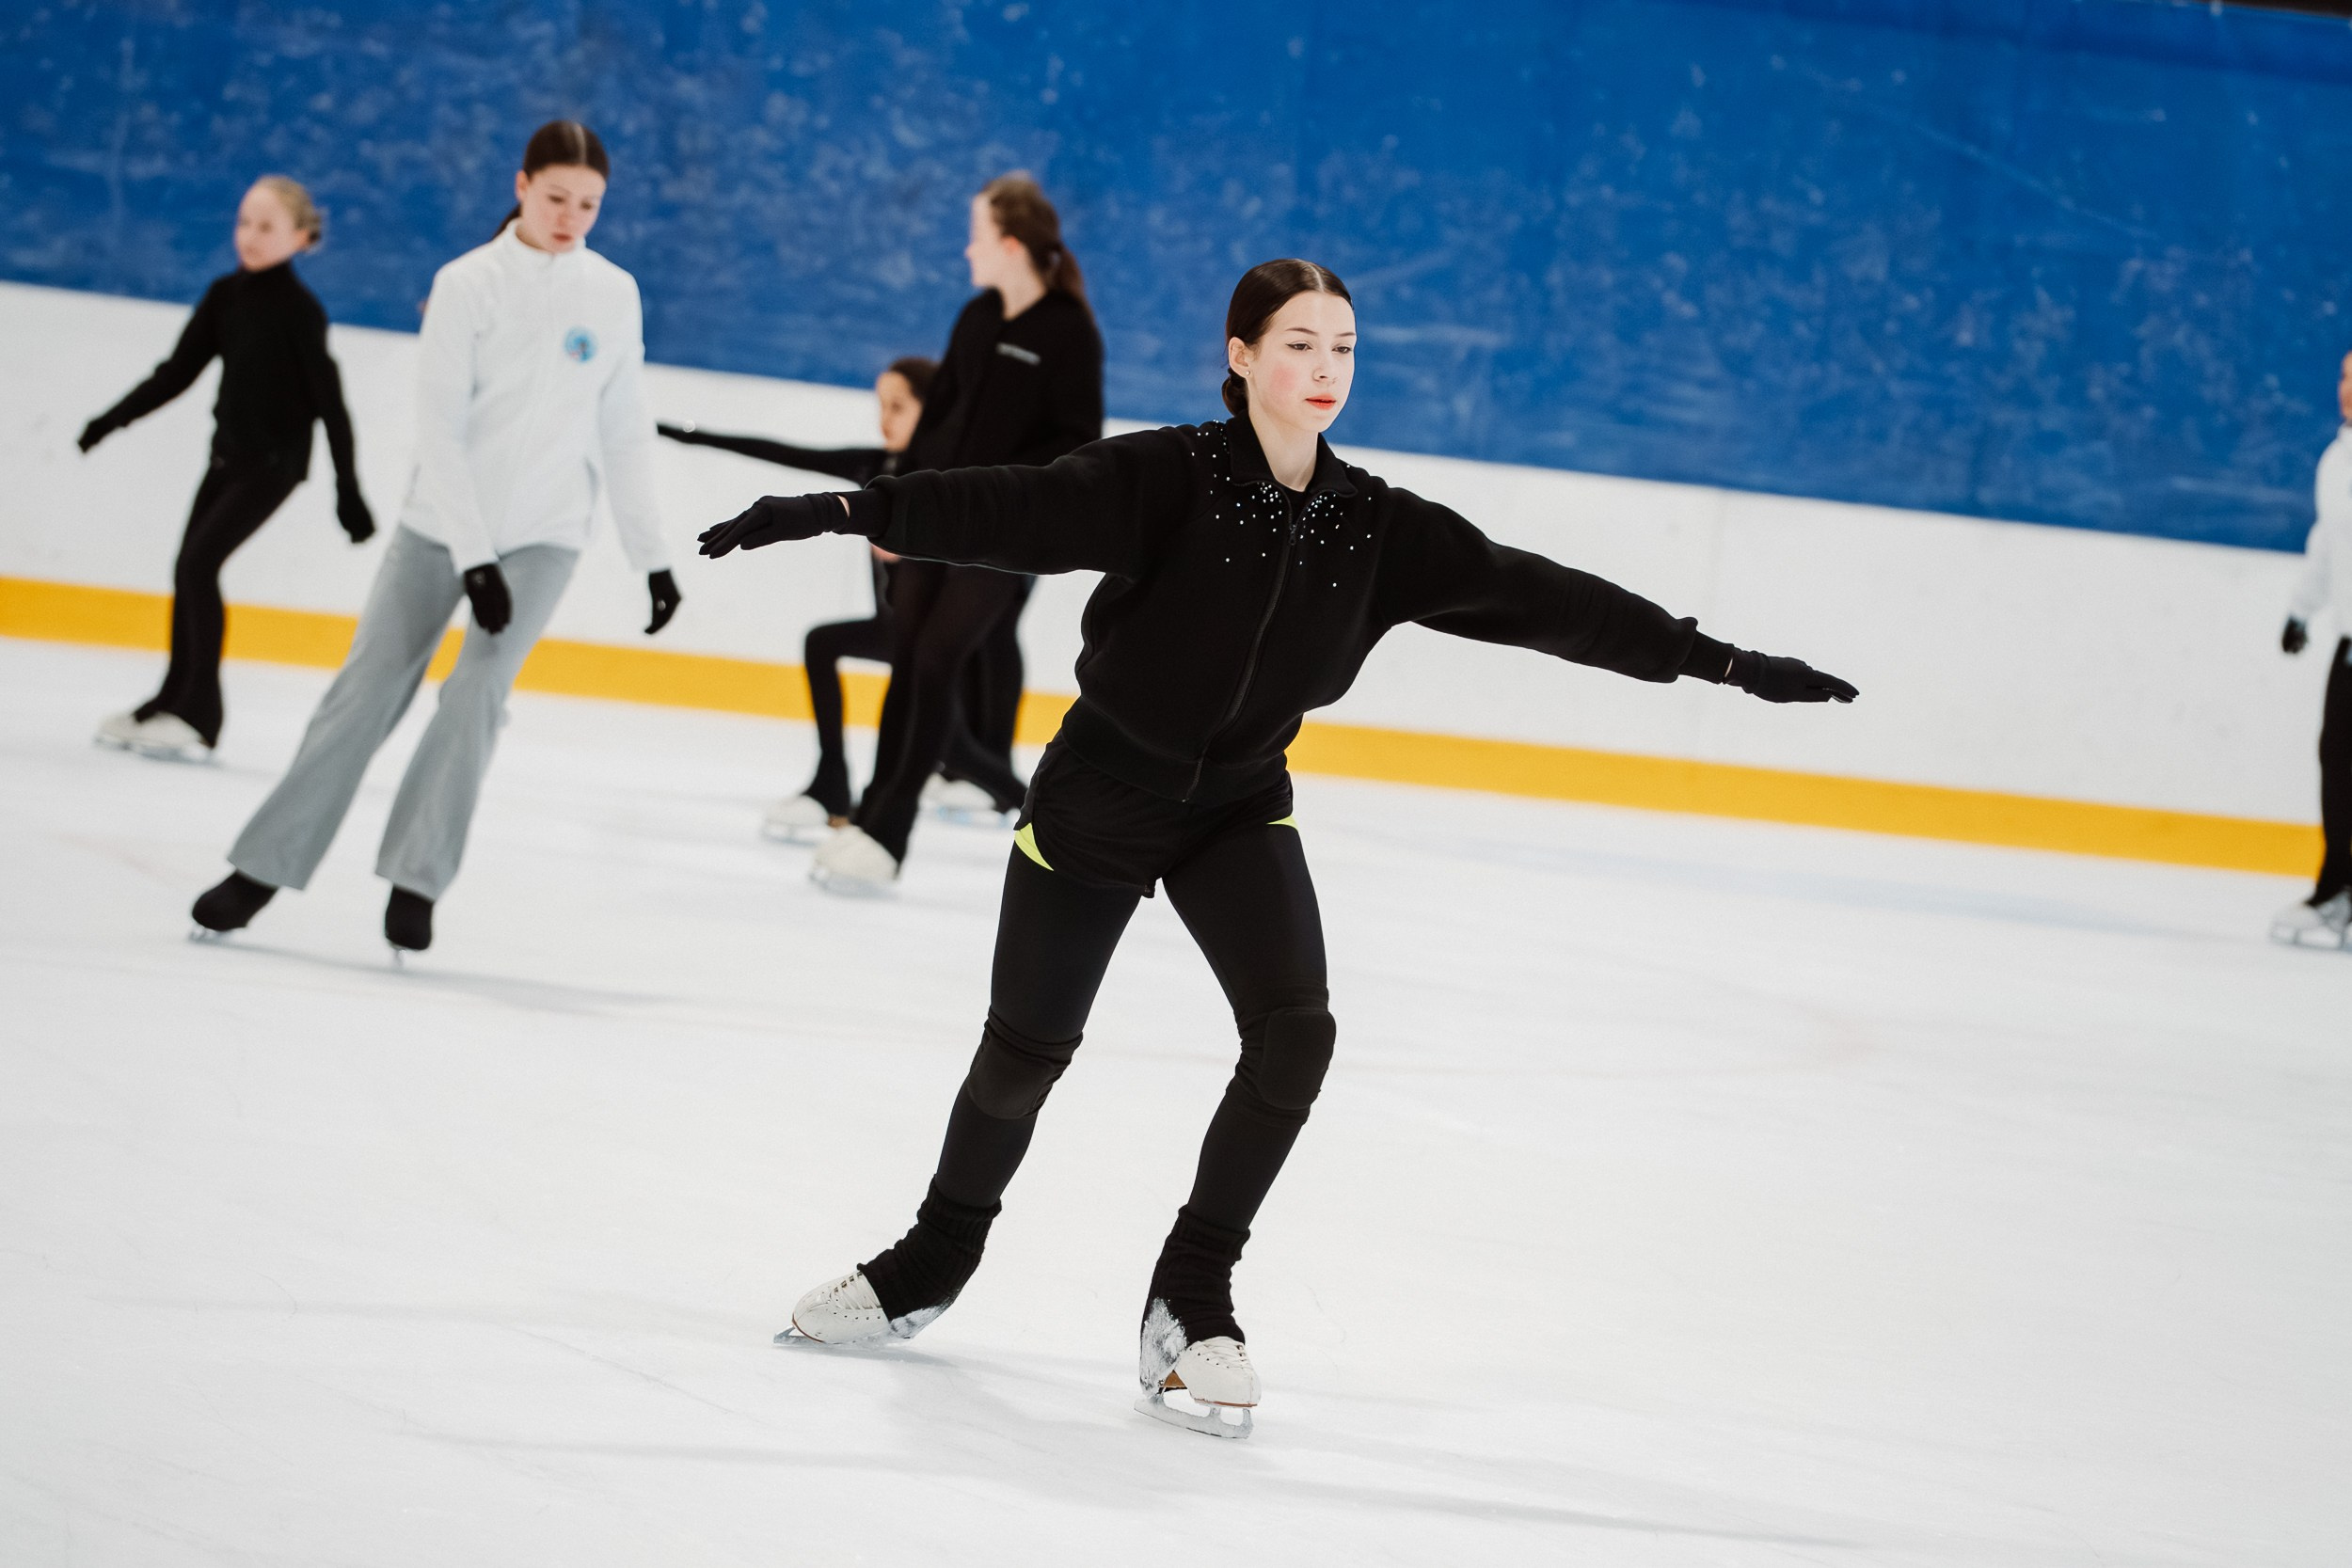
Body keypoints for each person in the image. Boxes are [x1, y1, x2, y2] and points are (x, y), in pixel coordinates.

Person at [695, 259, 1860, 1437]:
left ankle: (1190, 1295)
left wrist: (1715, 661)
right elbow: (1014, 504)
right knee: (1025, 1051)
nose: (1324, 371)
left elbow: (1541, 598)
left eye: (1343, 348)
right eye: (1298, 344)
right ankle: (931, 1258)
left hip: (1235, 808)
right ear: (1241, 353)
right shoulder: (1165, 476)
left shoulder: (1375, 526)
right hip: (1099, 794)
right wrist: (849, 508)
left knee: (1297, 1032)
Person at [186, 119, 681, 956]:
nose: (571, 217)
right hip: (440, 528)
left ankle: (416, 877)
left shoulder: (613, 293)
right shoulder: (466, 283)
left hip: (545, 536)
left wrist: (653, 556)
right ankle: (263, 866)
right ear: (522, 186)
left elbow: (624, 428)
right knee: (366, 690)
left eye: (589, 205)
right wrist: (473, 556)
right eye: (557, 197)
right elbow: (440, 431)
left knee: (477, 696)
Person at [809, 172, 1104, 893]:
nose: (966, 249)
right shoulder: (976, 319)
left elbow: (1077, 443)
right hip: (935, 521)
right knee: (910, 659)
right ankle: (874, 816)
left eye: (976, 235)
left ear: (1009, 244)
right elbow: (935, 421)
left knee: (939, 658)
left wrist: (1017, 501)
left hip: (1008, 533)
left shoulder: (1068, 334)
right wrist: (891, 505)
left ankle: (892, 832)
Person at [80, 176, 373, 760]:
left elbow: (329, 403)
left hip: (275, 465)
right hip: (228, 458)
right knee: (185, 568)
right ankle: (171, 698)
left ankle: (200, 714)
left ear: (300, 236)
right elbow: (176, 374)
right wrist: (111, 420)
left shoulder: (300, 312)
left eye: (267, 227)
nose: (251, 236)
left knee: (197, 566)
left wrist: (349, 490)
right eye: (244, 223)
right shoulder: (225, 296)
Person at [661, 356, 1017, 837]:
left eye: (898, 406)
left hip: (930, 645)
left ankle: (1041, 809)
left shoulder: (947, 482)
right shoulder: (878, 466)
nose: (884, 419)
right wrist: (692, 436)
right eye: (881, 405)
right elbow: (785, 452)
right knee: (824, 644)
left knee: (955, 749)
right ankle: (831, 785)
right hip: (893, 632)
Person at [2272, 349, 2352, 948]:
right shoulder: (2339, 457)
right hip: (2349, 641)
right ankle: (2336, 890)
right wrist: (2303, 608)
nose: (2347, 388)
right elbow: (2329, 538)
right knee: (2337, 762)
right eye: (2345, 374)